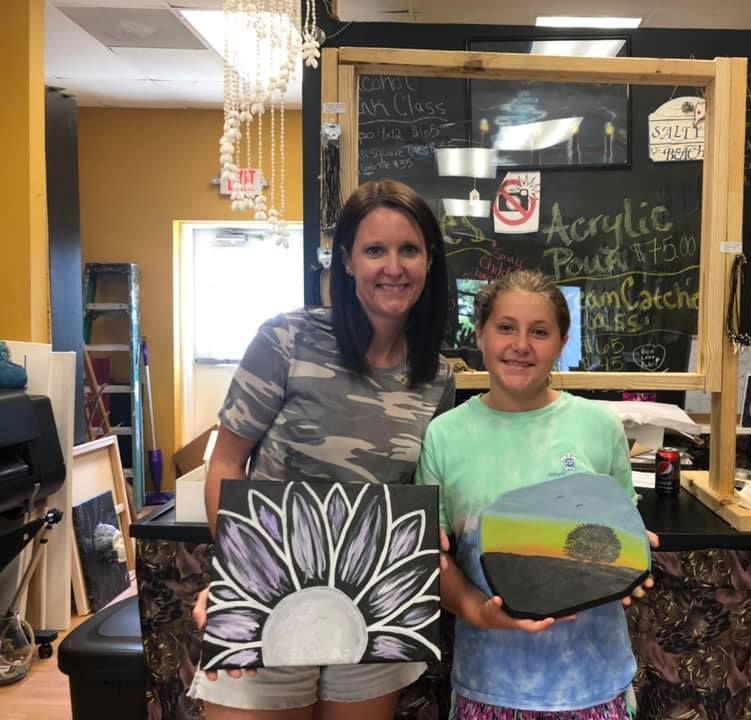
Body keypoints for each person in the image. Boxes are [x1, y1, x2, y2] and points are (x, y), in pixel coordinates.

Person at [190, 178, 455, 720]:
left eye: (409, 250)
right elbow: (226, 462)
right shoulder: (284, 340)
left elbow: (423, 491)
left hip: (373, 608)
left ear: (429, 262)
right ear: (348, 261)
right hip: (269, 593)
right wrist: (238, 576)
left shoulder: (437, 375)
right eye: (375, 250)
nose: (394, 267)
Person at [416, 270, 657, 720]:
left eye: (539, 332)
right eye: (506, 327)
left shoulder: (599, 428)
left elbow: (624, 532)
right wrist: (479, 611)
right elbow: (436, 556)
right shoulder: (444, 436)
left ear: (562, 342)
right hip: (490, 685)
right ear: (481, 334)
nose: (521, 345)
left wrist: (636, 561)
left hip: (594, 681)